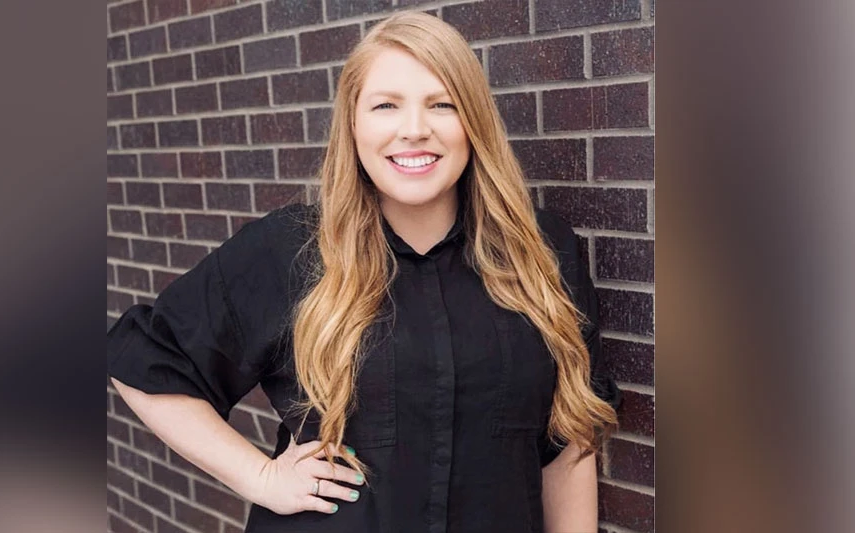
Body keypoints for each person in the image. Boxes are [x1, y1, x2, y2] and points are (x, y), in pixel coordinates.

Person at [107, 11, 620, 533]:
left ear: (474, 121)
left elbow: (569, 441)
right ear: (353, 125)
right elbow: (145, 360)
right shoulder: (289, 250)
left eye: (442, 104)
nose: (414, 130)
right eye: (385, 106)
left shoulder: (541, 251)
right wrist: (259, 476)